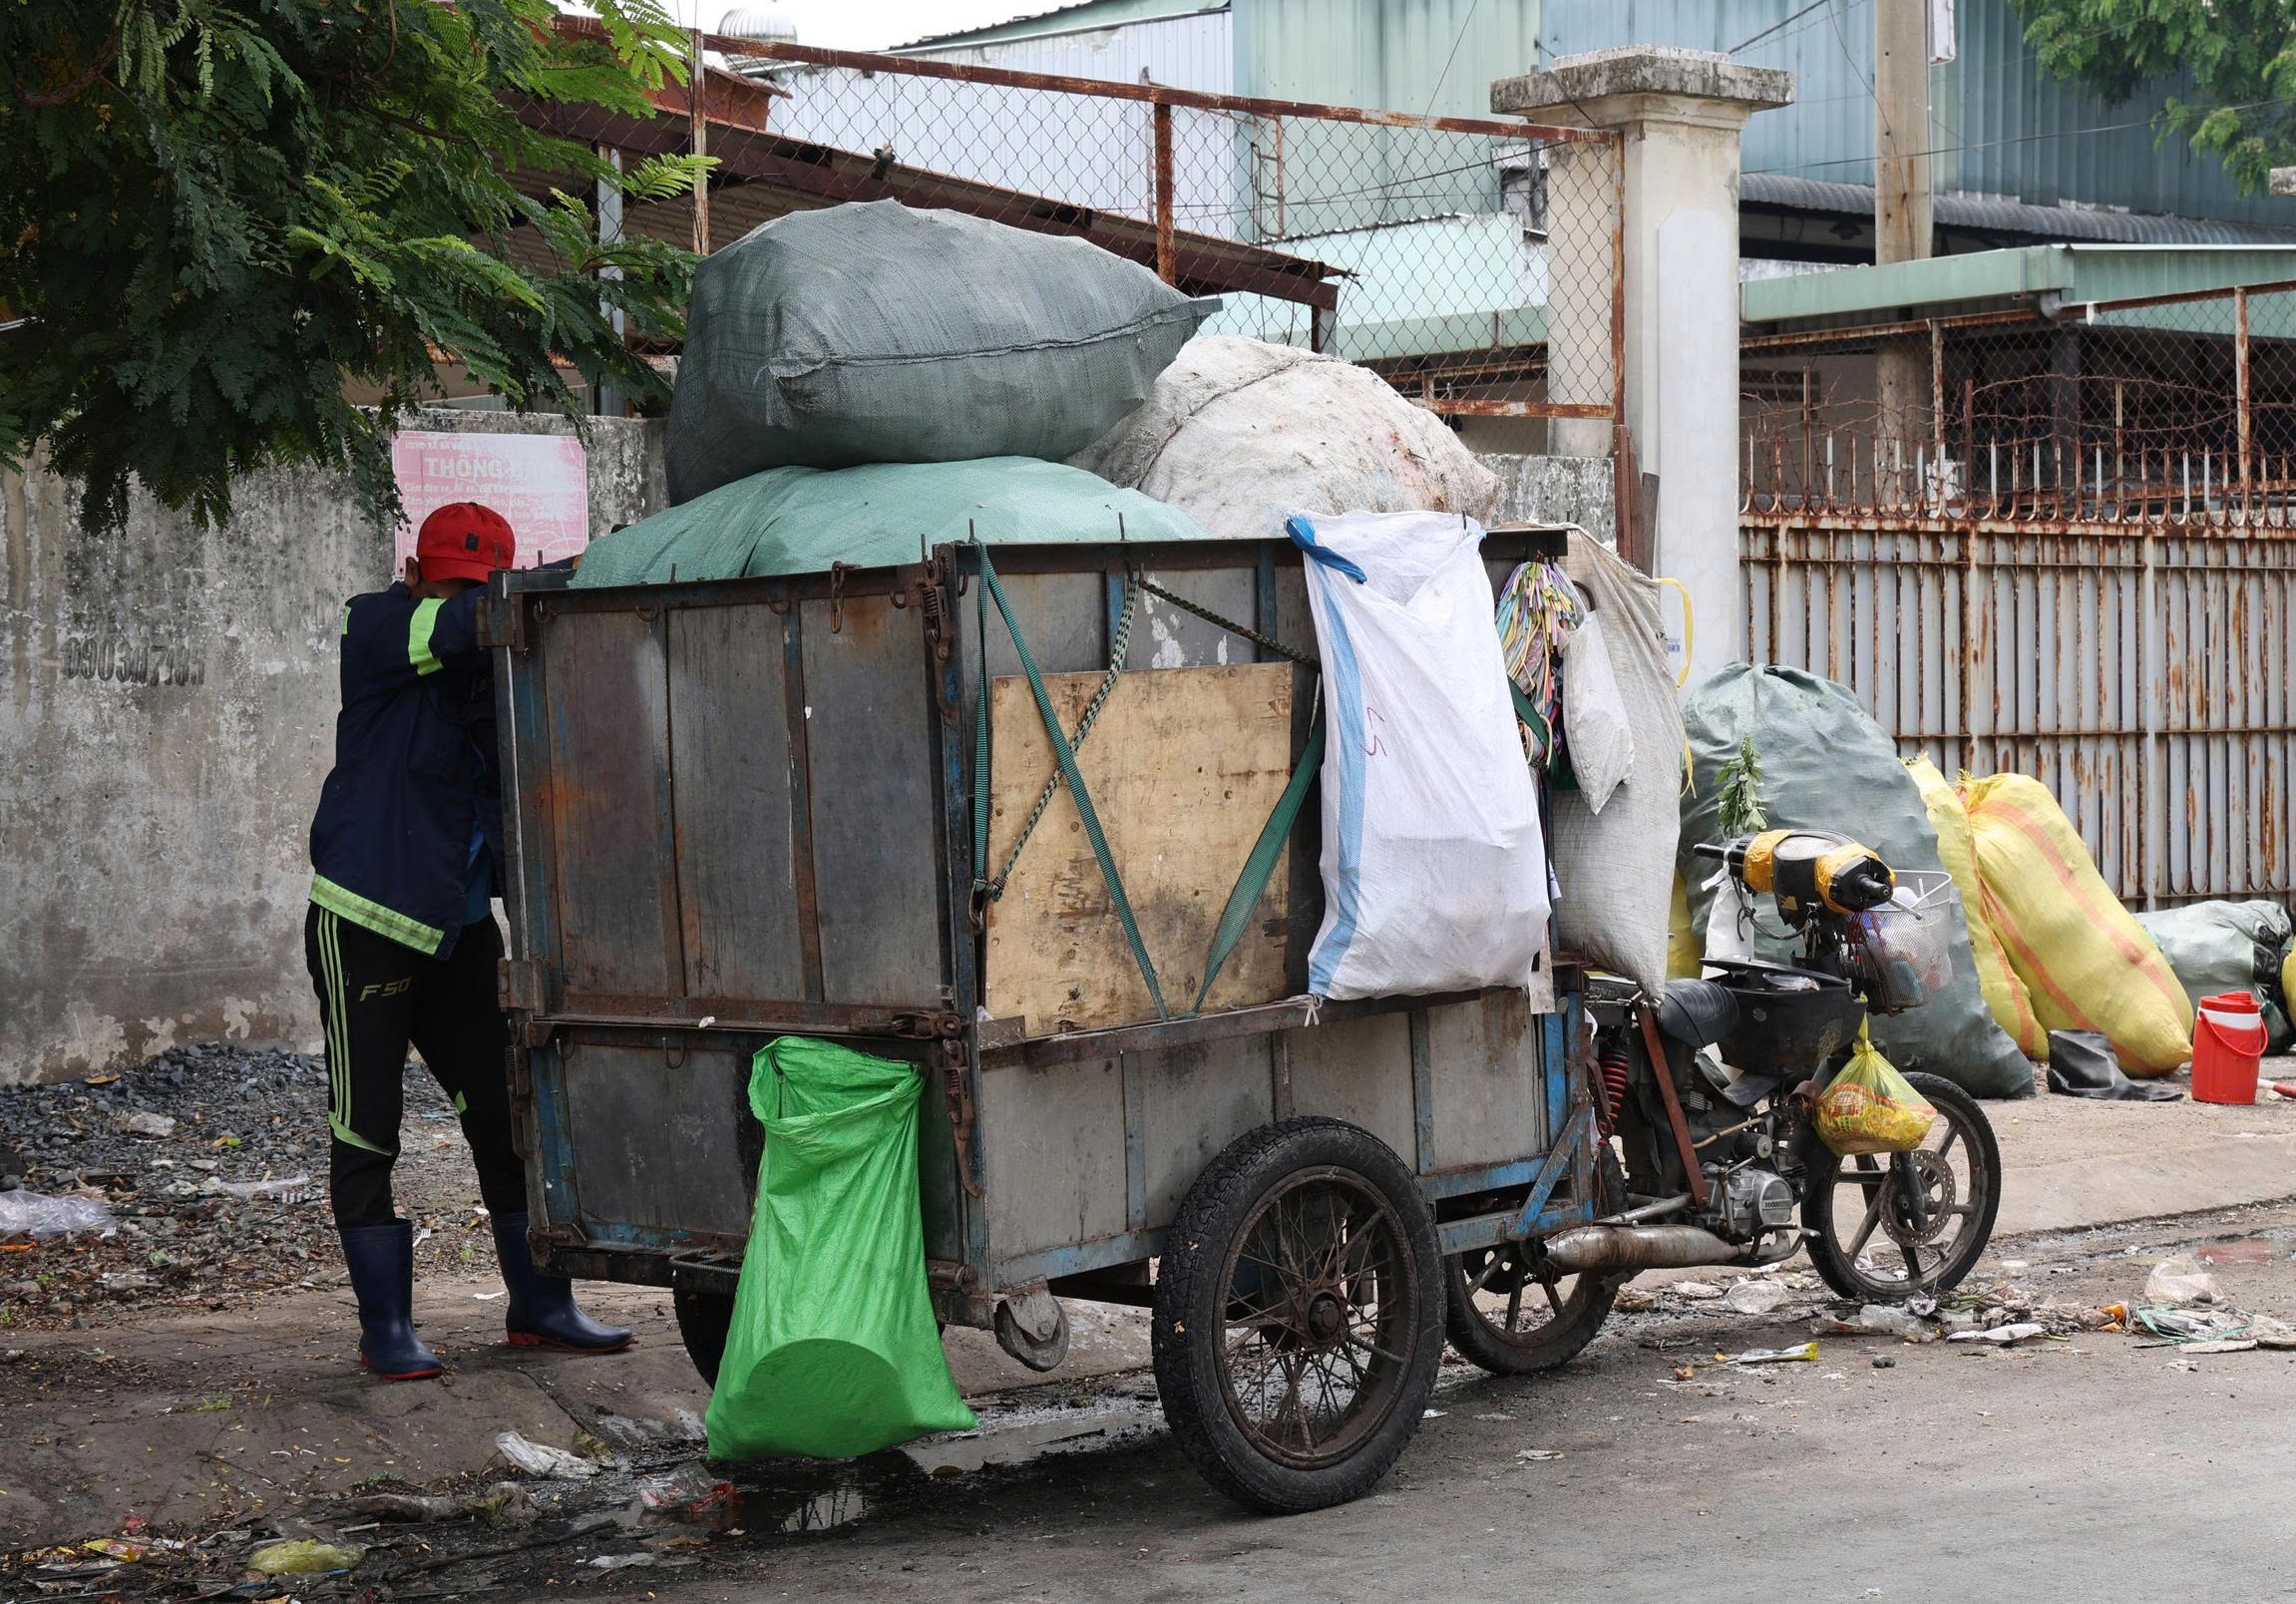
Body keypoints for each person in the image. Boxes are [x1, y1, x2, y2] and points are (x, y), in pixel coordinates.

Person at [306, 502, 628, 1379]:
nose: (465, 602)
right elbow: (458, 626)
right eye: (450, 585)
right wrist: (574, 577)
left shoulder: (498, 663)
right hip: (366, 920)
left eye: (479, 587)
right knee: (366, 1126)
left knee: (507, 1111)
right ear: (413, 575)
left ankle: (541, 1305)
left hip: (458, 927)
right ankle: (387, 1330)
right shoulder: (376, 627)